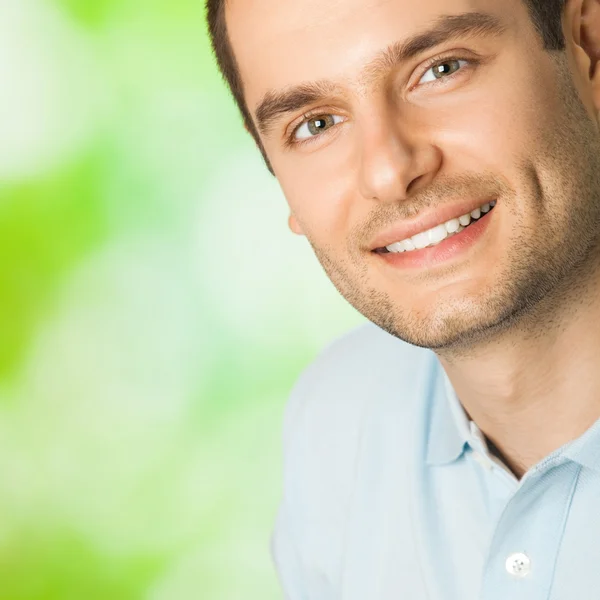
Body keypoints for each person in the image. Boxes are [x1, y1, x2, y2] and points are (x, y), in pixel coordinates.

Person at [205, 0, 600, 597]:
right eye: (315, 124)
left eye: (441, 69)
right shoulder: (338, 423)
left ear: (589, 49)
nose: (389, 171)